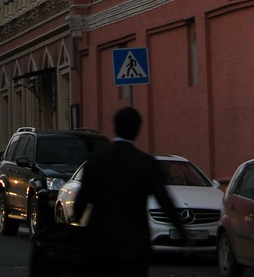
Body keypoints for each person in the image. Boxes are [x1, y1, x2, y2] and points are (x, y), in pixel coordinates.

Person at [71, 105, 186, 277]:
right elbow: (164, 200)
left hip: (99, 244)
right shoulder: (145, 163)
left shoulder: (95, 160)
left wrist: (76, 221)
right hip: (134, 247)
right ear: (138, 130)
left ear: (115, 128)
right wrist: (182, 230)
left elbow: (82, 200)